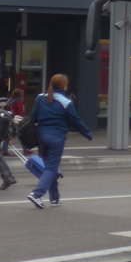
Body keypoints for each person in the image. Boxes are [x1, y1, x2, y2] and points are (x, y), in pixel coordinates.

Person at [26, 74, 93, 209]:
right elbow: (76, 120)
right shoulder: (66, 102)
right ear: (64, 86)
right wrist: (87, 134)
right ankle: (37, 194)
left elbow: (32, 117)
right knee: (52, 168)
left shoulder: (40, 98)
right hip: (56, 138)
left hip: (41, 137)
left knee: (50, 168)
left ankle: (55, 199)